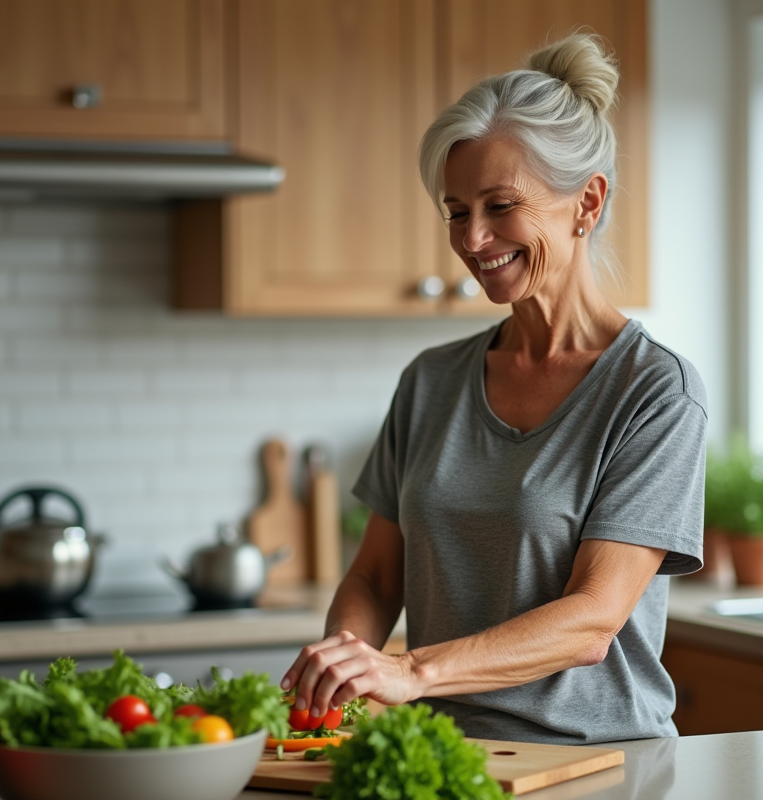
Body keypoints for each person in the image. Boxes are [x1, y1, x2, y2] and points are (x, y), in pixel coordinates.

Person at [280, 33, 707, 745]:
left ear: (587, 202)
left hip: (592, 767)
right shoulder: (431, 380)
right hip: (441, 757)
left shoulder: (654, 392)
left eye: (500, 206)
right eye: (455, 211)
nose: (473, 240)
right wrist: (346, 678)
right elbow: (378, 579)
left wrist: (412, 671)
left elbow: (593, 619)